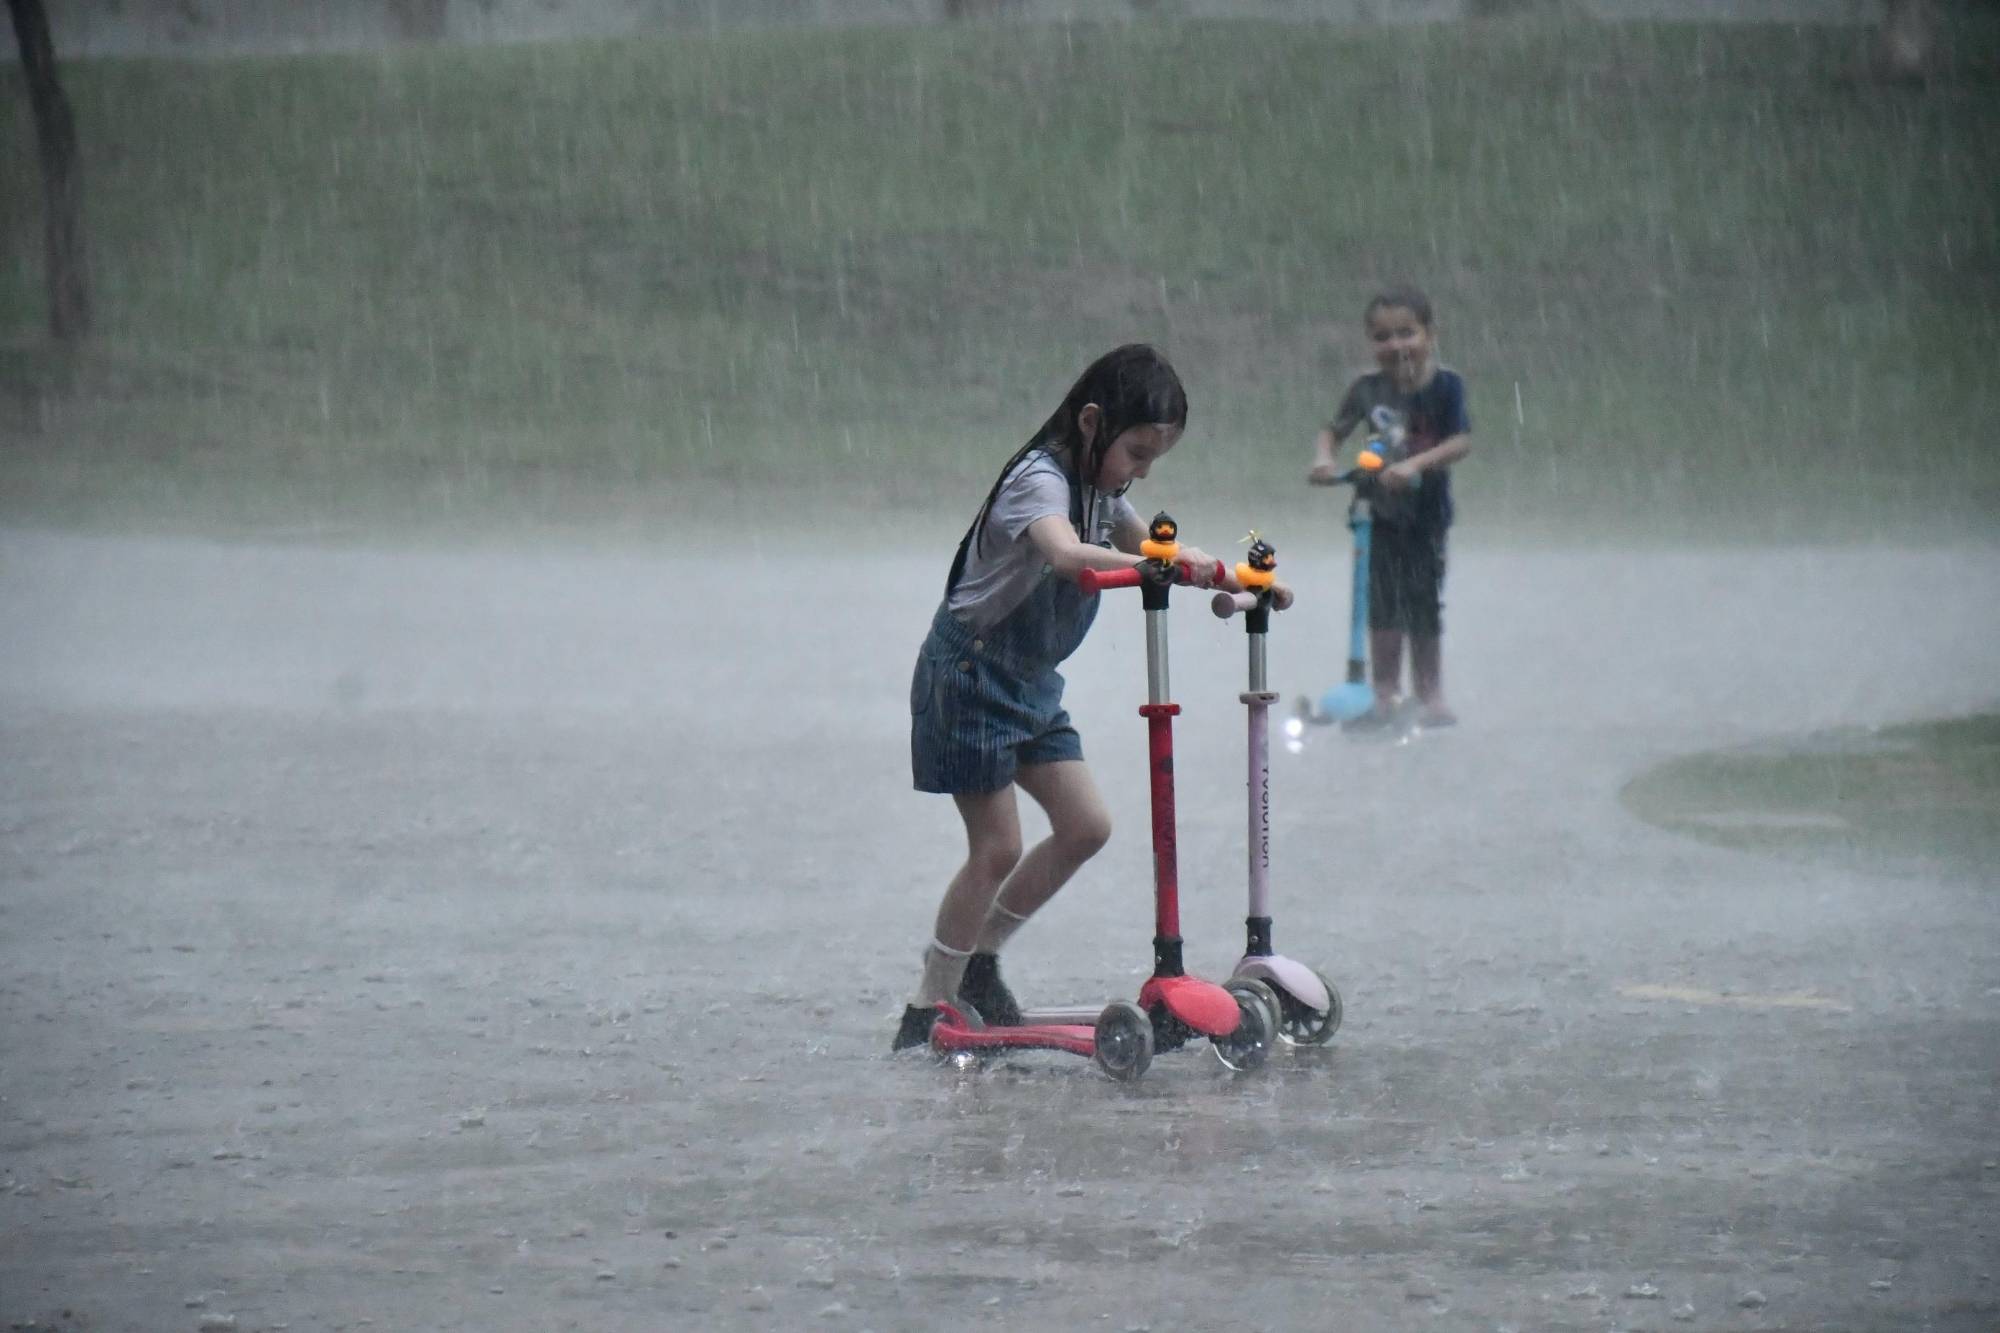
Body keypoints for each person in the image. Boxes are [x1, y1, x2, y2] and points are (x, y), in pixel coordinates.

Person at [894, 344, 1290, 1052]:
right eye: (1136, 451)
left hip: (1030, 683)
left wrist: (1236, 581)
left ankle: (981, 959)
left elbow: (1160, 556)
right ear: (1090, 422)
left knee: (1086, 825)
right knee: (997, 846)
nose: (1139, 471)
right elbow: (1069, 556)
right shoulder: (1039, 483)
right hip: (970, 676)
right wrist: (1156, 565)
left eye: (1151, 460)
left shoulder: (1104, 493)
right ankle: (929, 1001)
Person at [1308, 285, 1472, 728]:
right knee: (1381, 604)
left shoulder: (1446, 387)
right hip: (1378, 515)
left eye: (1407, 333)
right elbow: (1334, 430)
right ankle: (1384, 690)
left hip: (1427, 516)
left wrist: (1415, 464)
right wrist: (1325, 460)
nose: (1396, 345)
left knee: (1422, 602)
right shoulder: (1367, 390)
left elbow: (1459, 441)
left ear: (1430, 334)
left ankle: (1429, 692)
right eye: (1383, 337)